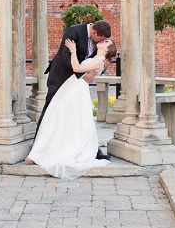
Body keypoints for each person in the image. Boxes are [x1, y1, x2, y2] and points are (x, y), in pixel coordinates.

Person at [26, 37, 118, 179]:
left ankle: (61, 152)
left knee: (70, 121)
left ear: (107, 49)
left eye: (107, 42)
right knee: (58, 119)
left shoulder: (100, 62)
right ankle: (41, 152)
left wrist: (73, 51)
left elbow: (77, 68)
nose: (103, 41)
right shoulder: (95, 57)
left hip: (77, 92)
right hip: (71, 87)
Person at [36, 20, 112, 161]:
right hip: (60, 77)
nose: (101, 42)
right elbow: (66, 57)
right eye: (100, 39)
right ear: (95, 32)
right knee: (50, 110)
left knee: (77, 115)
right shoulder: (74, 31)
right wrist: (83, 75)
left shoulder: (98, 42)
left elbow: (92, 60)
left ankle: (89, 149)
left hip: (76, 84)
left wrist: (101, 68)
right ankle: (38, 147)